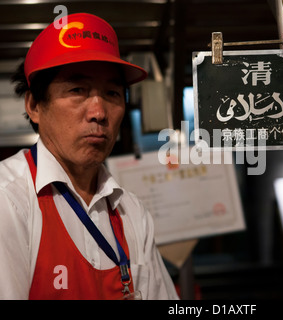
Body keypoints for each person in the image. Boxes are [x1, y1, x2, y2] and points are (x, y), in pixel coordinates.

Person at [0, 12, 179, 300]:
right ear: (34, 105)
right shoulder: (9, 201)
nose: (99, 112)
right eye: (77, 90)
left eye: (112, 93)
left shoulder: (130, 211)